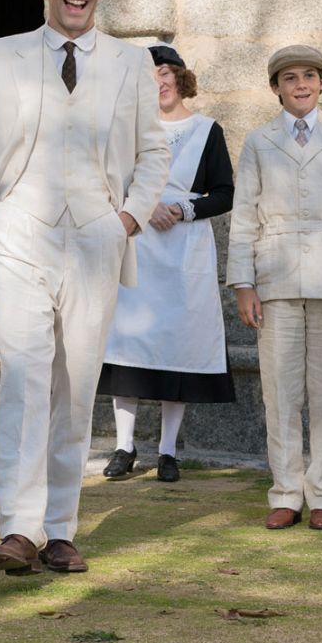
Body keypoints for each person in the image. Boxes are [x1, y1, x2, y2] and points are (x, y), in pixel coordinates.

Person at [0, 0, 170, 575]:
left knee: (76, 387)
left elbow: (155, 150)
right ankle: (18, 528)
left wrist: (125, 218)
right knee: (25, 379)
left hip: (97, 236)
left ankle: (61, 530)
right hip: (20, 236)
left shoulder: (129, 63)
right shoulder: (1, 55)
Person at [226, 44, 322, 531]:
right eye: (289, 77)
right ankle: (286, 492)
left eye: (309, 76)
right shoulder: (258, 141)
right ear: (275, 88)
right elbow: (244, 218)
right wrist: (243, 285)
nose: (300, 85)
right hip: (274, 280)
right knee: (280, 390)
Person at [98, 45, 236, 483]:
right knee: (129, 344)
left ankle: (167, 451)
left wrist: (183, 210)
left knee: (179, 345)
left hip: (184, 250)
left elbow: (224, 191)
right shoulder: (127, 130)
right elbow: (106, 183)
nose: (158, 82)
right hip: (138, 244)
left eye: (163, 72)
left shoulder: (206, 130)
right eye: (148, 75)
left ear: (179, 76)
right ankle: (124, 446)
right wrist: (146, 204)